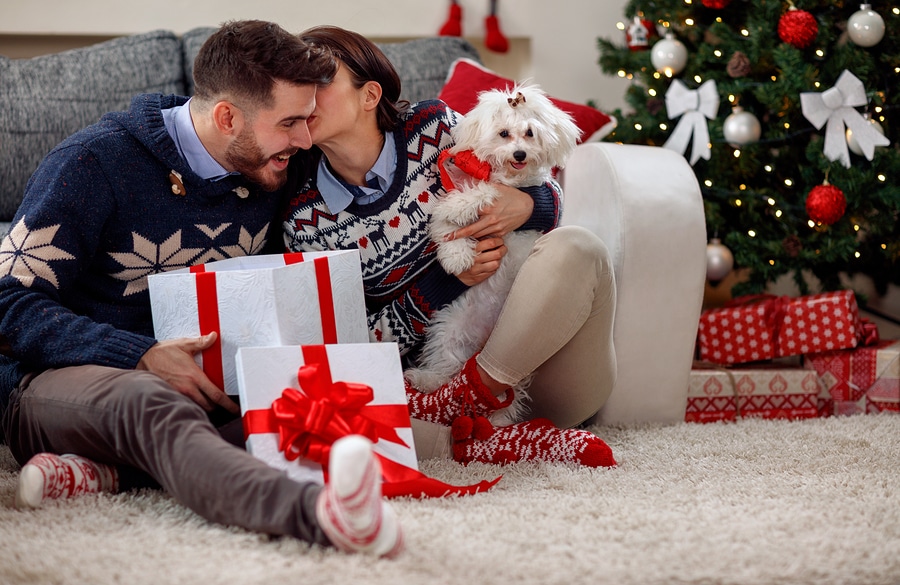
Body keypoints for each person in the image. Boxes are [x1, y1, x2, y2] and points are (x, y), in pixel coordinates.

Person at [0, 20, 403, 558]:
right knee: (149, 404)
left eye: (308, 120)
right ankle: (319, 516)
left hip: (207, 389)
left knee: (305, 405)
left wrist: (533, 203)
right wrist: (139, 354)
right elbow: (7, 302)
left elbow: (409, 156)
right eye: (290, 123)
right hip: (57, 384)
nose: (306, 139)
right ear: (227, 117)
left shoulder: (275, 160)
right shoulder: (92, 166)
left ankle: (109, 473)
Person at [283, 26, 618, 468]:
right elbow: (346, 347)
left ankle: (478, 396)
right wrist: (444, 283)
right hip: (431, 390)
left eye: (322, 83)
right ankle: (487, 436)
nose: (305, 97)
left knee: (578, 247)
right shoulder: (305, 219)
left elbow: (536, 179)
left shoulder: (437, 127)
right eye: (297, 84)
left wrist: (523, 206)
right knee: (329, 405)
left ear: (369, 96)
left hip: (546, 372)